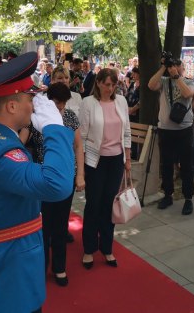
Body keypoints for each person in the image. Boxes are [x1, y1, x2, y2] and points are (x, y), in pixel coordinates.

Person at [0, 52, 75, 313]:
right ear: (12, 106)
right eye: (29, 97)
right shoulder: (3, 153)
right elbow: (58, 185)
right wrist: (55, 128)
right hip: (8, 279)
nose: (34, 105)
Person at [21, 82, 85, 286]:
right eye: (57, 103)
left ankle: (59, 268)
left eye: (63, 104)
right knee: (42, 227)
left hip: (65, 177)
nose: (60, 108)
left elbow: (78, 146)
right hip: (42, 178)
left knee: (60, 225)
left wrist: (80, 175)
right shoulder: (38, 116)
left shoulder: (69, 117)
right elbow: (22, 139)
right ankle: (41, 267)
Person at [79, 68, 132, 268]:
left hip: (116, 160)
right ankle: (89, 249)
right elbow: (82, 138)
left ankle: (107, 248)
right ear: (99, 83)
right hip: (95, 161)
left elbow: (126, 131)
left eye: (114, 85)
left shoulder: (121, 101)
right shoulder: (88, 103)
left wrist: (127, 159)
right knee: (93, 204)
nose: (110, 88)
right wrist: (81, 171)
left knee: (110, 204)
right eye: (107, 84)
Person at [148, 56, 194, 215]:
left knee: (186, 164)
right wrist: (163, 67)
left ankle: (188, 198)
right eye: (172, 66)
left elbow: (188, 94)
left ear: (182, 67)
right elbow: (150, 85)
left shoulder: (188, 81)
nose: (174, 67)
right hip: (165, 130)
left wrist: (176, 76)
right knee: (167, 164)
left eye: (177, 65)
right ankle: (167, 194)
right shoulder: (163, 81)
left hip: (184, 129)